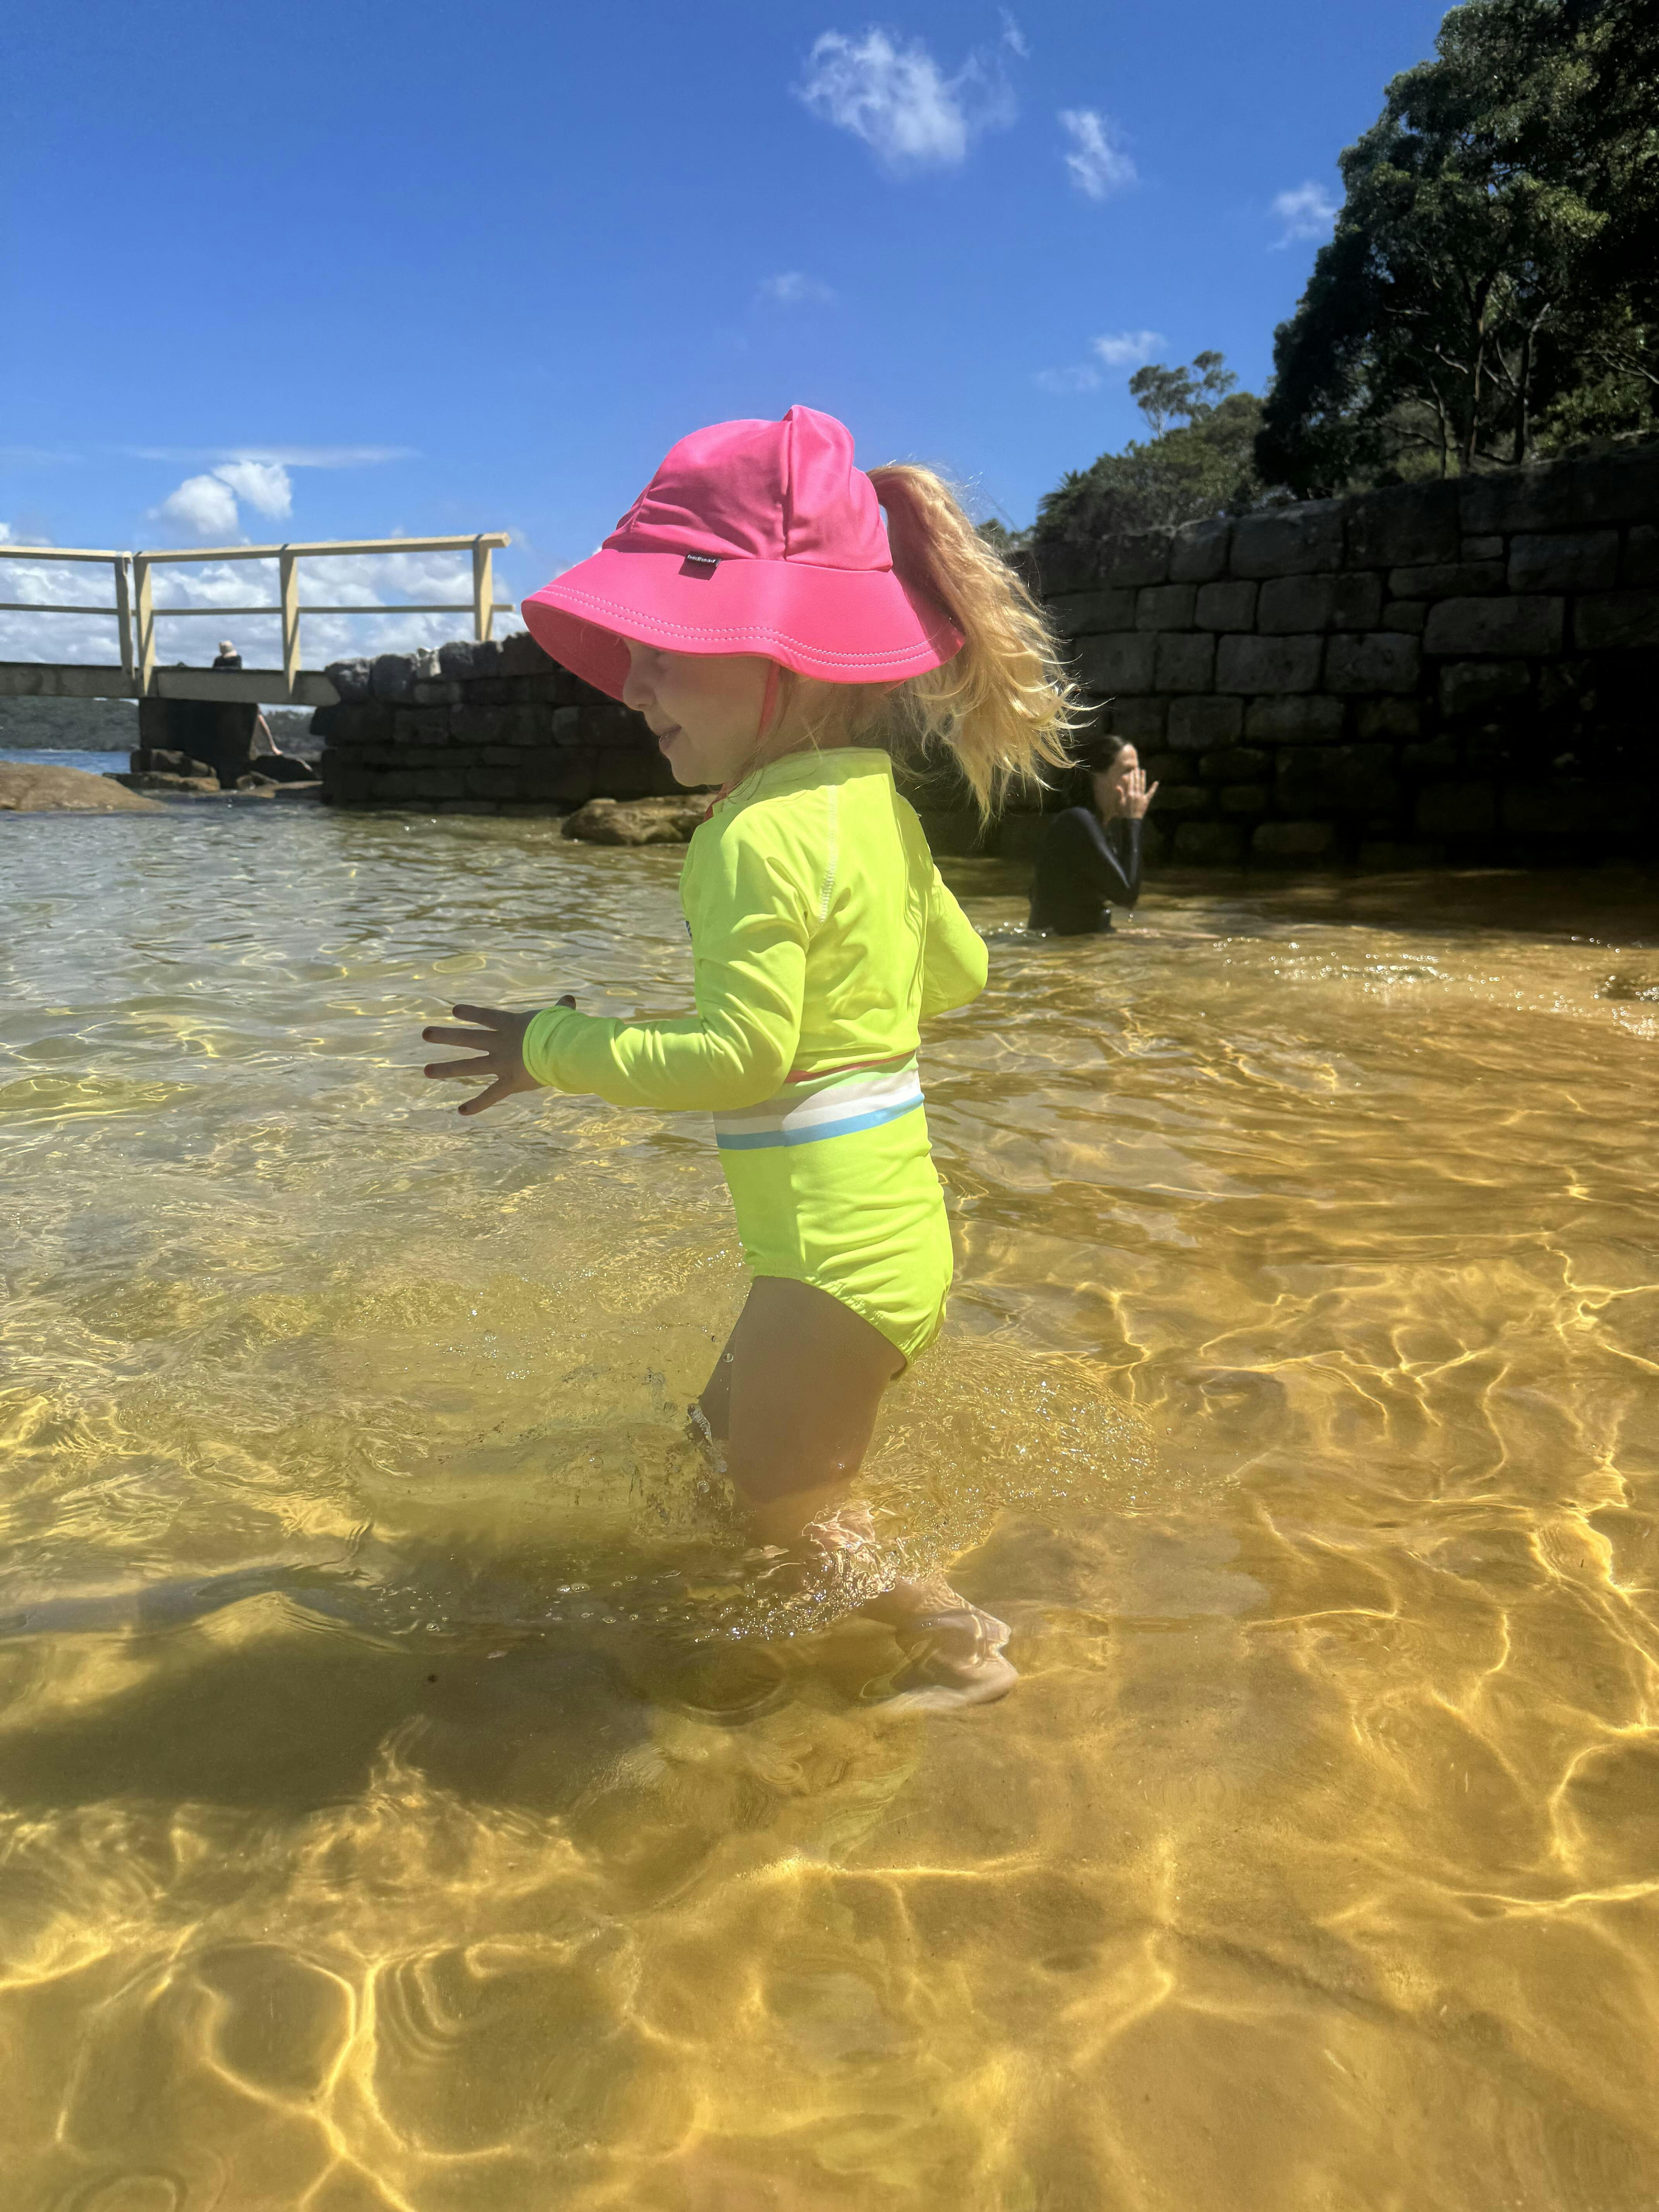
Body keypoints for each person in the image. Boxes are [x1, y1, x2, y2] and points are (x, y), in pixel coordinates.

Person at [421, 406, 1076, 1710]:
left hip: (830, 1260)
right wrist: (859, 992)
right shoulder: (874, 804)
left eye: (663, 652)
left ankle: (961, 1645)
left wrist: (551, 1047)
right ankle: (727, 1607)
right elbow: (960, 974)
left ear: (787, 652)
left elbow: (738, 1055)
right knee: (715, 1447)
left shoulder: (748, 837)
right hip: (886, 1236)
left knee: (787, 1503)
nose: (632, 687)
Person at [1026, 735, 1159, 935]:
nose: (1137, 781)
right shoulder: (1077, 822)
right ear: (1097, 776)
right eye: (1128, 771)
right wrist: (1133, 821)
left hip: (1083, 941)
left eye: (1138, 771)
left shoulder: (1095, 826)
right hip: (1056, 947)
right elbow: (1127, 896)